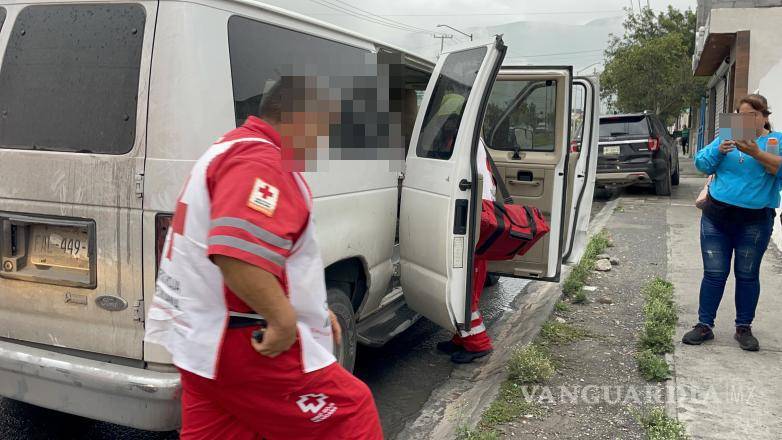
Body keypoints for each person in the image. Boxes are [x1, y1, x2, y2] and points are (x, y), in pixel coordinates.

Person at [144, 75, 383, 439]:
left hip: (201, 346)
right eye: (324, 129)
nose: (323, 143)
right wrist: (284, 319)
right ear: (300, 117)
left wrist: (315, 310)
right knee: (352, 415)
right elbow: (237, 252)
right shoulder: (263, 160)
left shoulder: (227, 149)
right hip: (249, 342)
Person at [683, 94, 782, 351]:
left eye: (752, 115)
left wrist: (756, 152)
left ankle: (743, 328)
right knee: (714, 273)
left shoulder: (772, 140)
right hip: (717, 218)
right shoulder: (727, 136)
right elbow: (701, 164)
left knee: (747, 275)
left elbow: (777, 169)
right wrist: (718, 149)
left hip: (754, 222)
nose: (746, 120)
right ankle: (704, 325)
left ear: (764, 116)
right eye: (741, 115)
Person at [436, 139, 497, 364]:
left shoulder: (465, 138)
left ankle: (478, 343)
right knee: (464, 284)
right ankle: (462, 336)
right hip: (479, 211)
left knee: (466, 287)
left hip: (477, 214)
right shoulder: (474, 138)